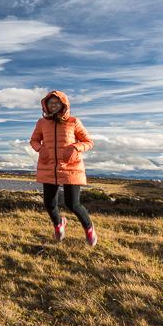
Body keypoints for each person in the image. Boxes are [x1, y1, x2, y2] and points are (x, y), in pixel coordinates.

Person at [29, 90, 97, 246]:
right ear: (46, 105)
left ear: (63, 104)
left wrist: (75, 148)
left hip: (71, 167)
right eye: (50, 103)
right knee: (49, 203)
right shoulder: (41, 123)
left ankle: (89, 228)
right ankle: (59, 224)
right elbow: (34, 140)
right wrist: (41, 149)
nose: (53, 105)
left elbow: (88, 142)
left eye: (57, 102)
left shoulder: (74, 121)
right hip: (48, 167)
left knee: (72, 204)